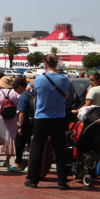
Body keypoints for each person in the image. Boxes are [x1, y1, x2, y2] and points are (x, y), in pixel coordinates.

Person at [25, 55, 71, 189]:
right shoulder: (64, 78)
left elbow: (36, 93)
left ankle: (33, 180)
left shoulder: (39, 79)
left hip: (42, 118)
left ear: (45, 64)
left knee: (37, 150)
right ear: (56, 64)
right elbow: (67, 95)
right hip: (58, 118)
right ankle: (62, 181)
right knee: (60, 151)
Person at [0, 76, 22, 172]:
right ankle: (7, 161)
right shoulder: (15, 93)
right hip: (12, 118)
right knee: (10, 138)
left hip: (0, 117)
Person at [14, 77, 33, 170]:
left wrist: (19, 126)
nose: (16, 91)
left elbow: (21, 112)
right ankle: (31, 165)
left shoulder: (23, 96)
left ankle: (18, 164)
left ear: (20, 87)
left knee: (18, 143)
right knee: (31, 145)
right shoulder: (33, 93)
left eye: (16, 89)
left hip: (25, 123)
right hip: (33, 123)